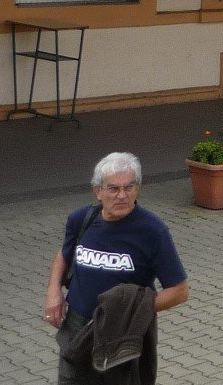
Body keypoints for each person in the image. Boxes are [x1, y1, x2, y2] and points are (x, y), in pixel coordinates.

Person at [45, 152, 189, 384]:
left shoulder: (152, 230)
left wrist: (131, 311)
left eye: (129, 187)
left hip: (123, 335)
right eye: (113, 188)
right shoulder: (81, 219)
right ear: (98, 191)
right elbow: (64, 254)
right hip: (78, 326)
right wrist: (53, 293)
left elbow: (179, 291)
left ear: (137, 188)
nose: (122, 195)